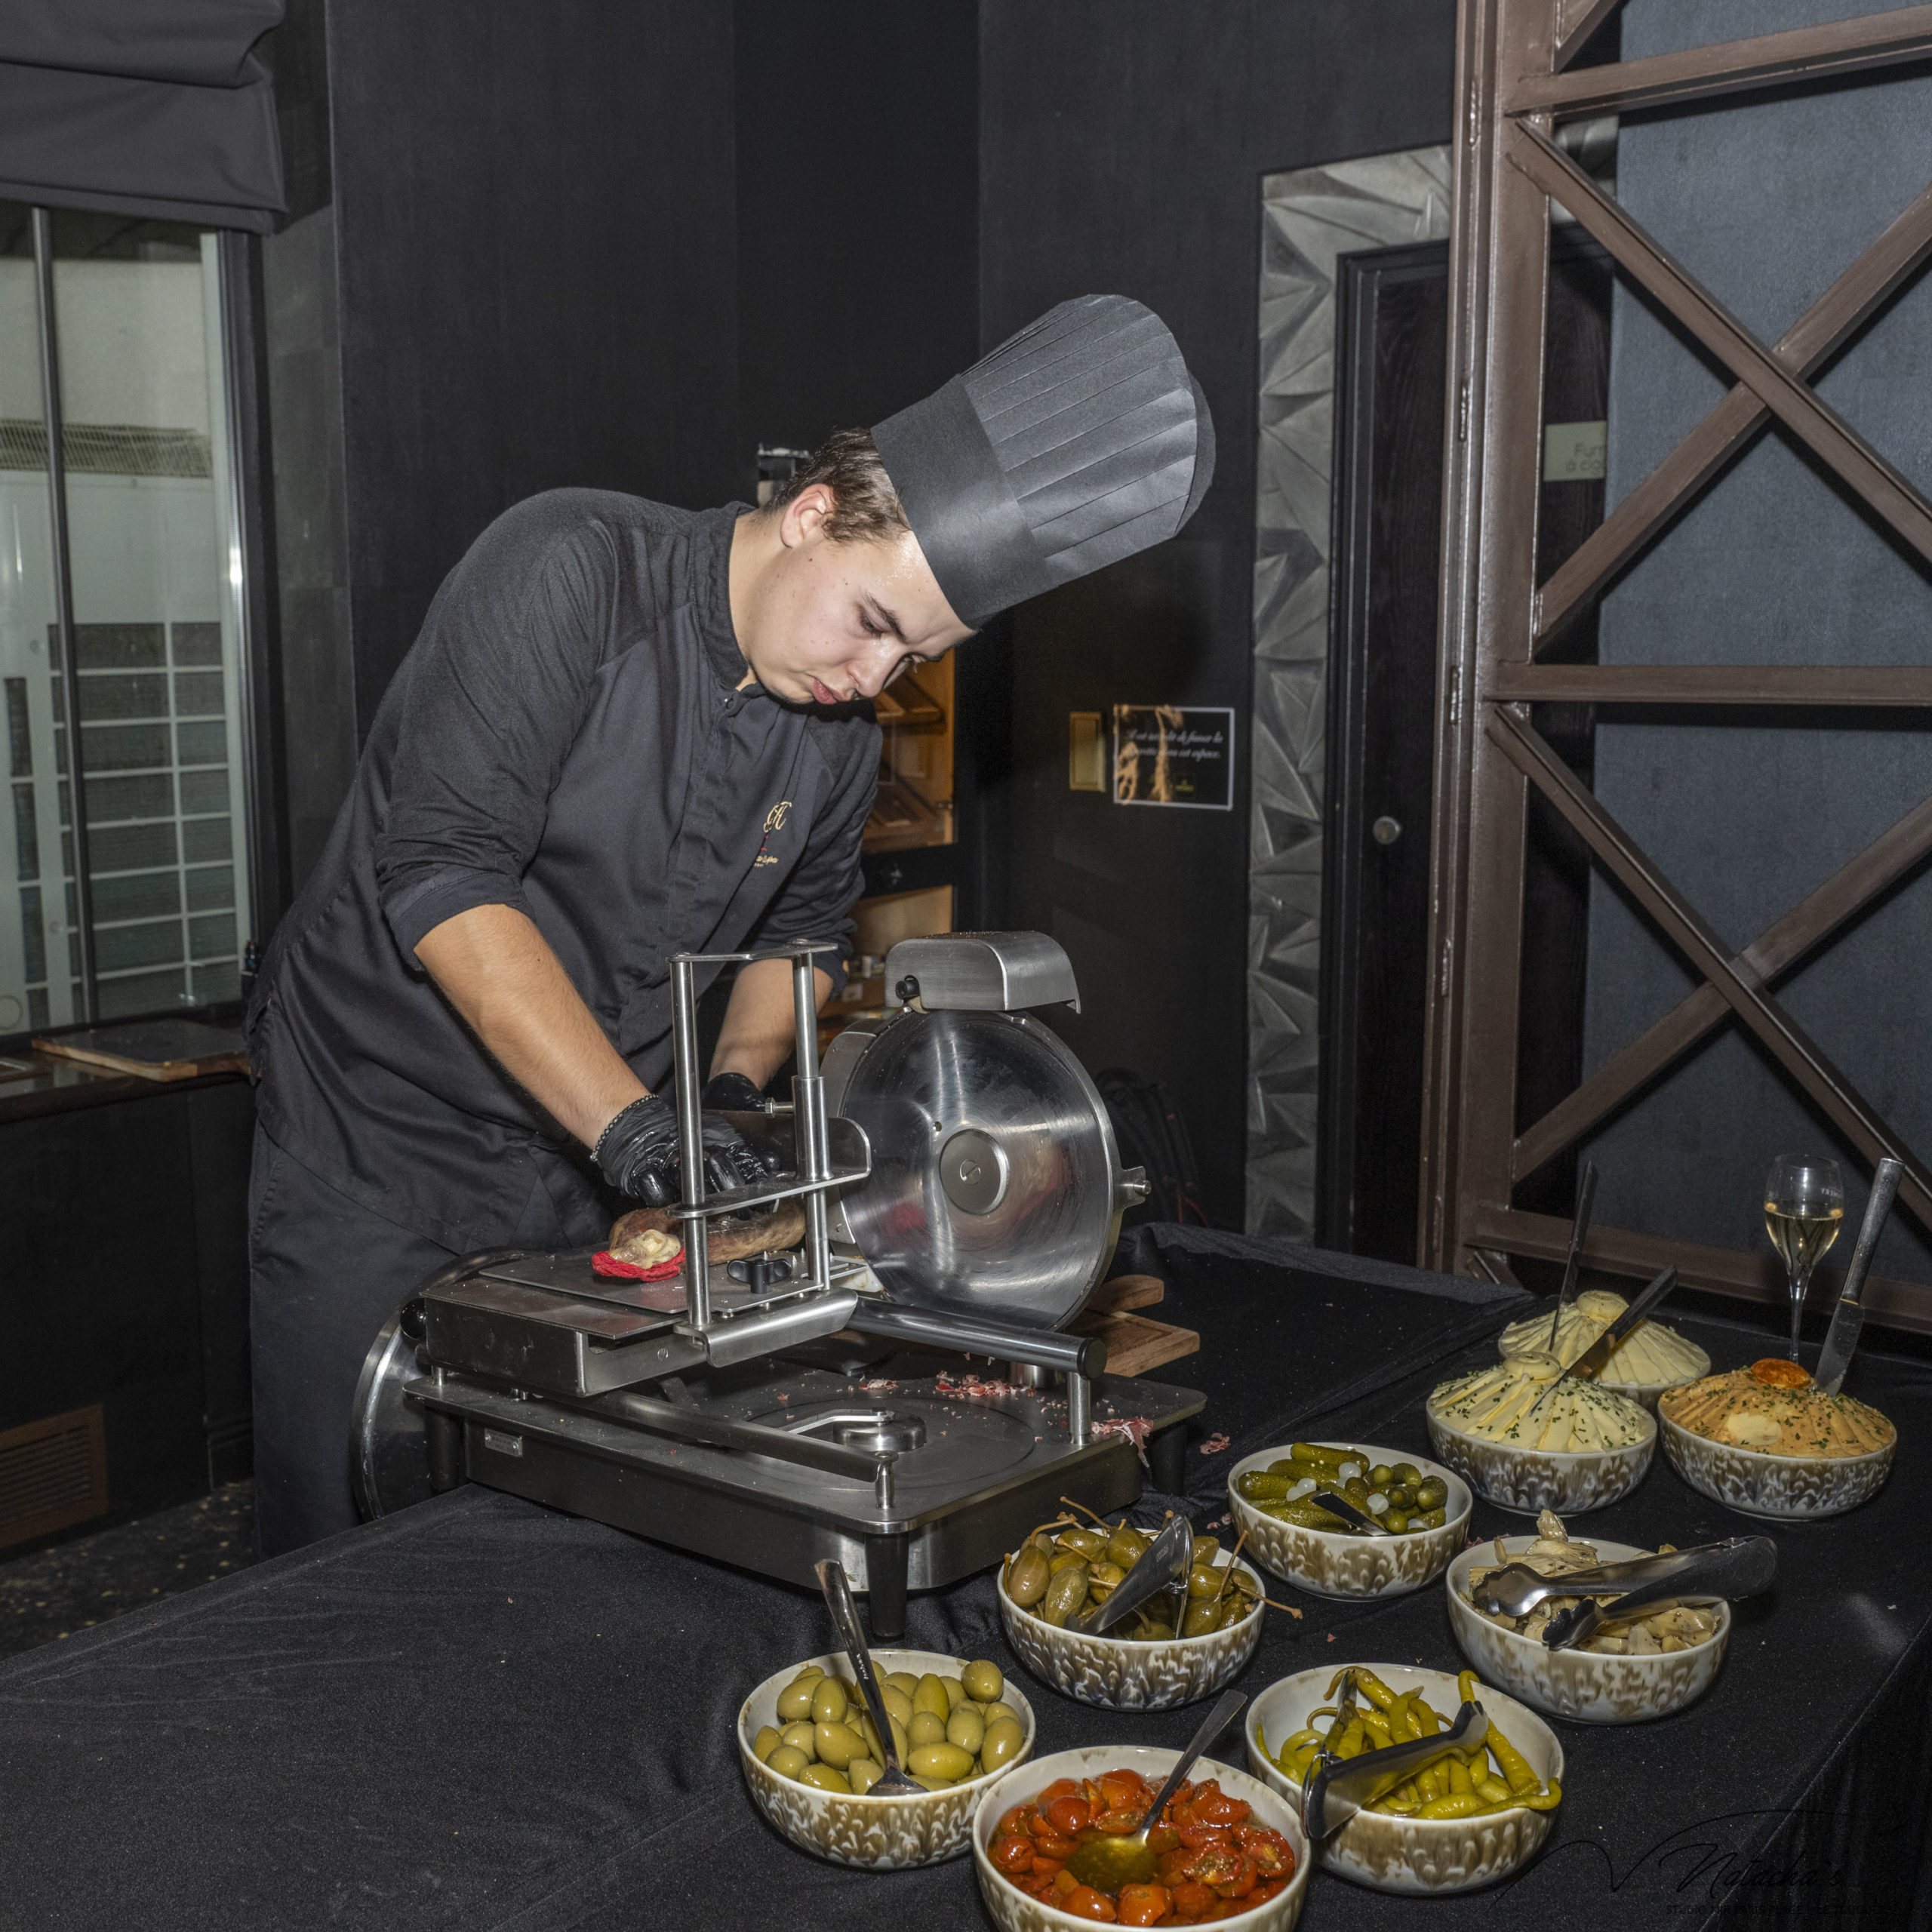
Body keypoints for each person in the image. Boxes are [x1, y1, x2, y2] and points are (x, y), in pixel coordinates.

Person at [244, 293, 1215, 1554]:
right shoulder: (568, 570)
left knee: (534, 1520)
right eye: (874, 625)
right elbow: (445, 879)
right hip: (372, 1135)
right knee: (342, 1521)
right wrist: (639, 1127)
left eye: (908, 662)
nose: (871, 681)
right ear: (812, 512)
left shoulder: (838, 735)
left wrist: (730, 1103)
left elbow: (799, 944)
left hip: (581, 1168)